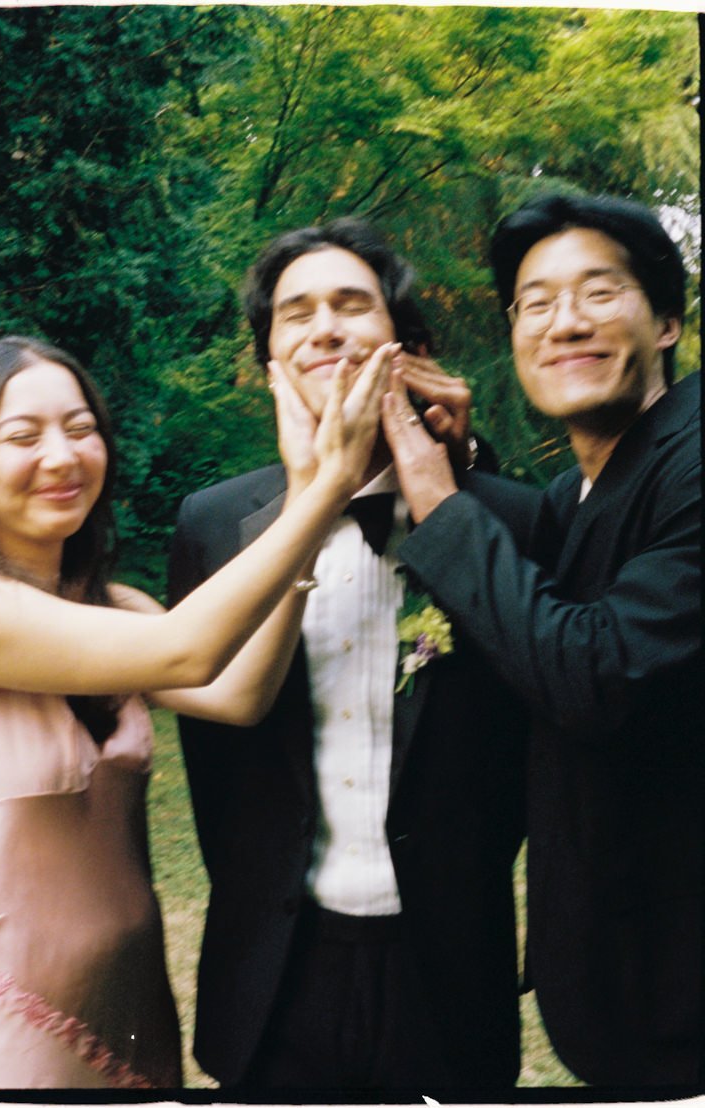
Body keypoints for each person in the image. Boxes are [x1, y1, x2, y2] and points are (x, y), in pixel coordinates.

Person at [0, 332, 392, 1090]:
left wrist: (306, 504)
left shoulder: (116, 606)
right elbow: (187, 651)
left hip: (133, 1015)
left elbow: (238, 692)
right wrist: (327, 487)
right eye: (24, 437)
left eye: (81, 428)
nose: (62, 456)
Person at [167, 219, 538, 1093]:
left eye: (351, 305)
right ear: (269, 359)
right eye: (296, 314)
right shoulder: (211, 525)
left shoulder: (512, 519)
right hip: (273, 968)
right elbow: (211, 759)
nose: (324, 328)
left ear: (404, 344)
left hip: (450, 966)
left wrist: (460, 468)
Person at [384, 192, 702, 1088]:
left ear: (668, 321)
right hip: (617, 991)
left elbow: (593, 671)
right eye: (536, 303)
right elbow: (528, 621)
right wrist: (465, 473)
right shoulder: (575, 493)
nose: (566, 323)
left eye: (599, 293)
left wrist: (437, 501)